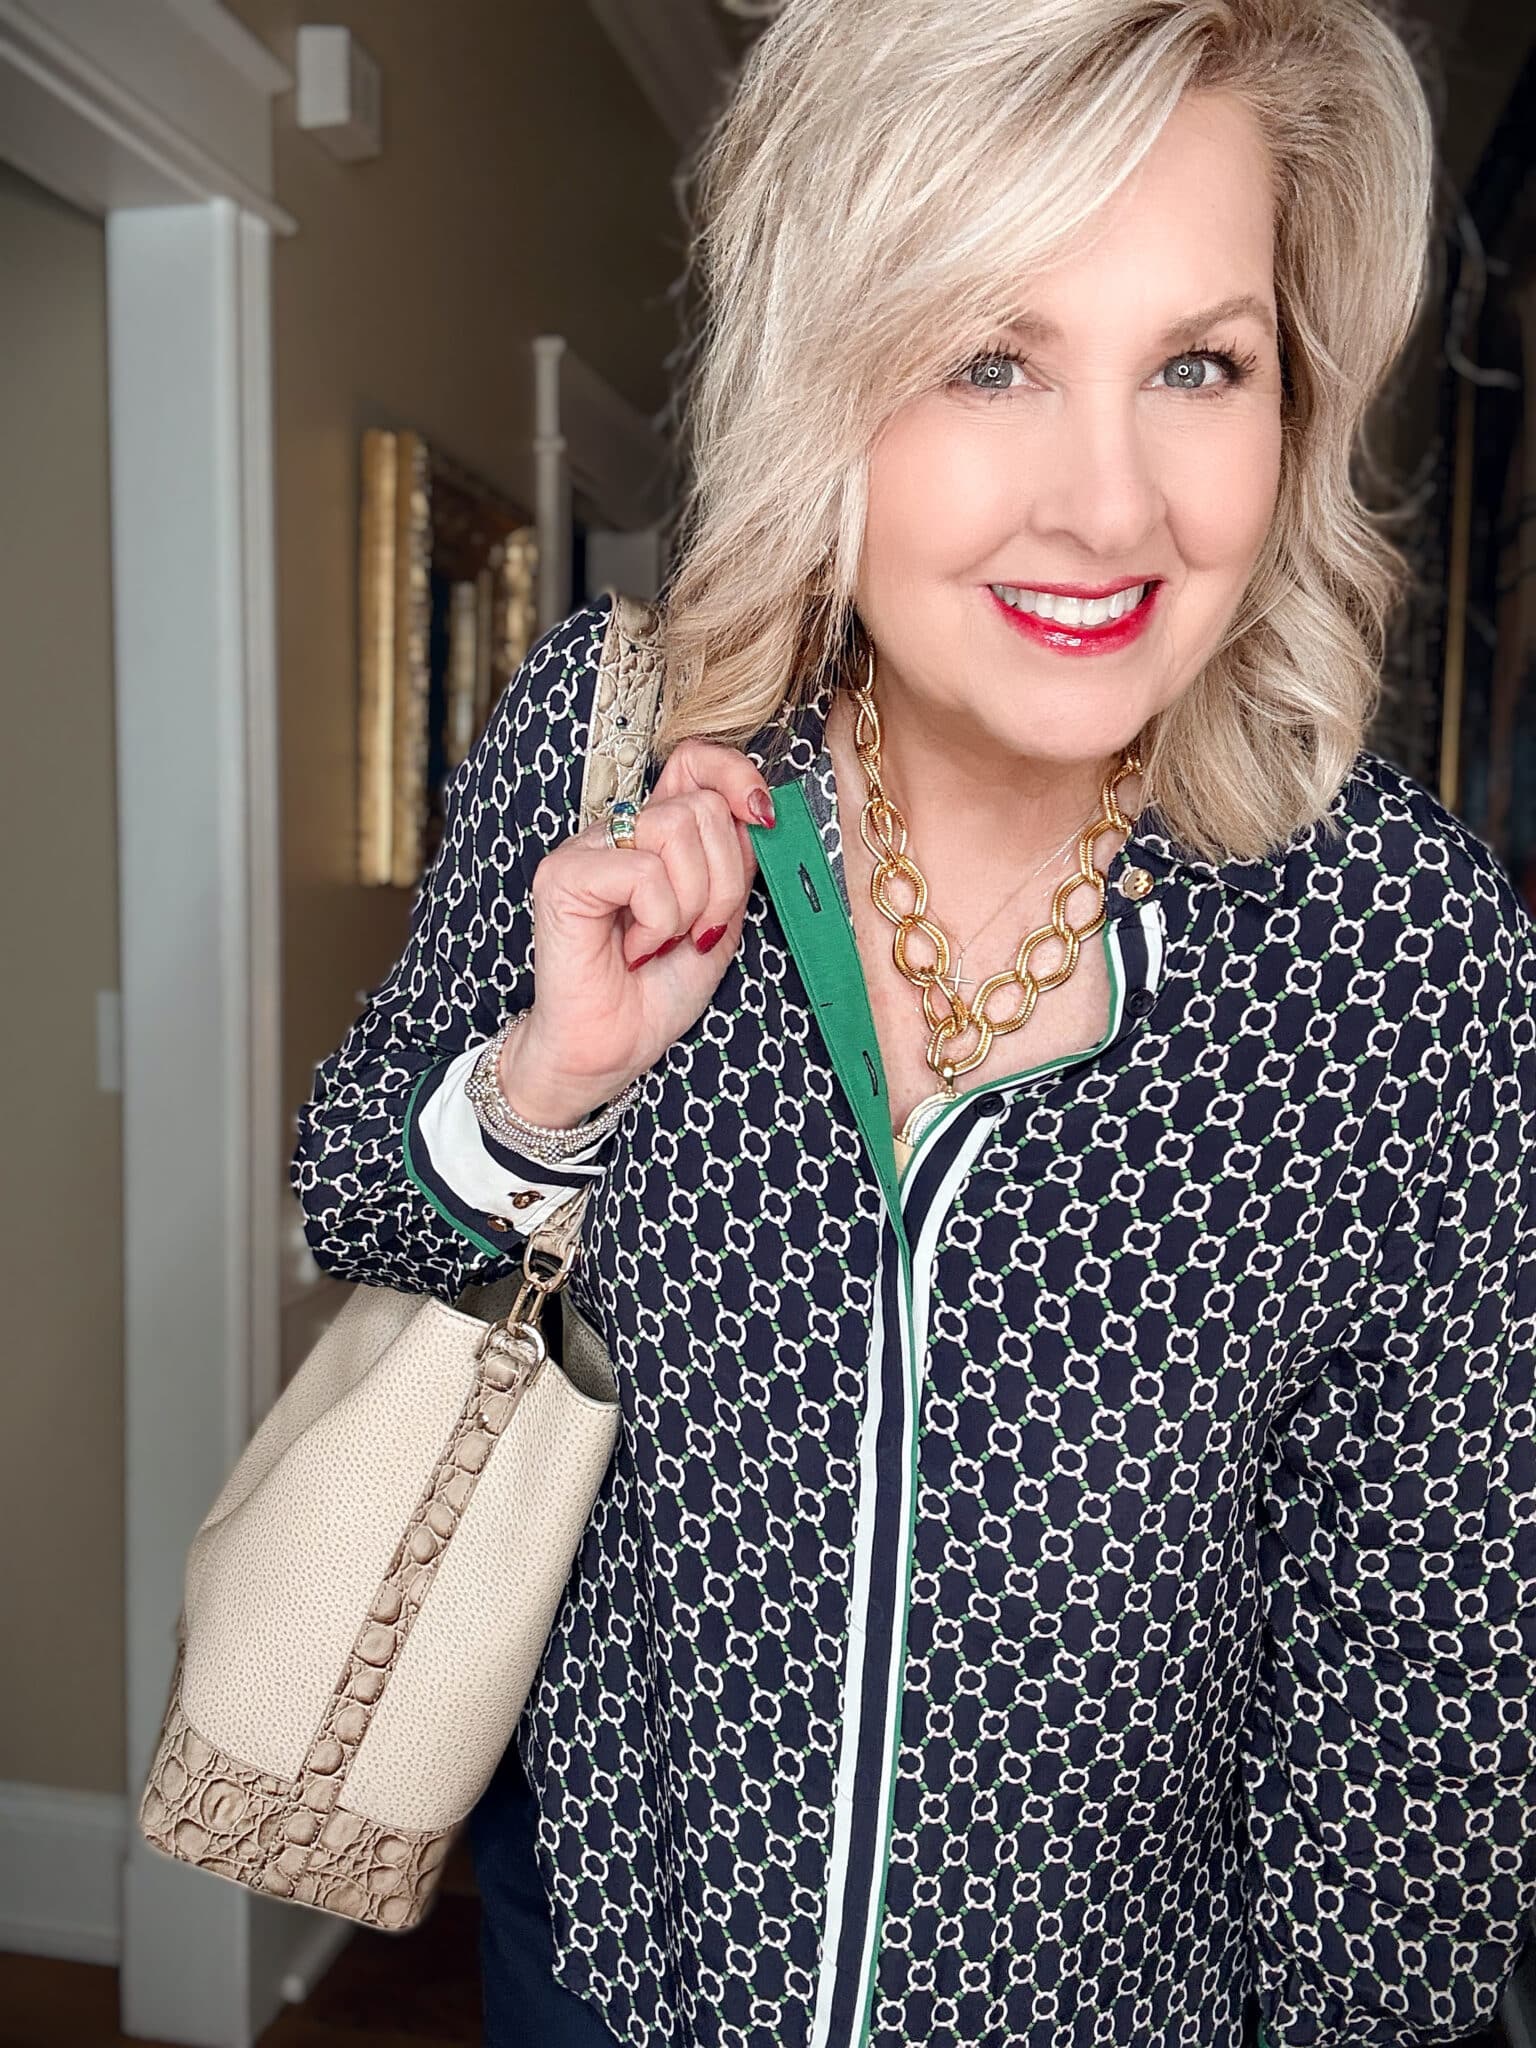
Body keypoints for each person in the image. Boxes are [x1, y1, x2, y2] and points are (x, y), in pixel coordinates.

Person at [288, 1, 1536, 2043]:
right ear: (825, 369)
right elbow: (358, 1193)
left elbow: (1419, 1731)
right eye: (992, 357)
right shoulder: (619, 751)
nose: (1111, 504)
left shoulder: (1404, 957)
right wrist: (553, 1086)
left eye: (1199, 364)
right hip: (610, 1974)